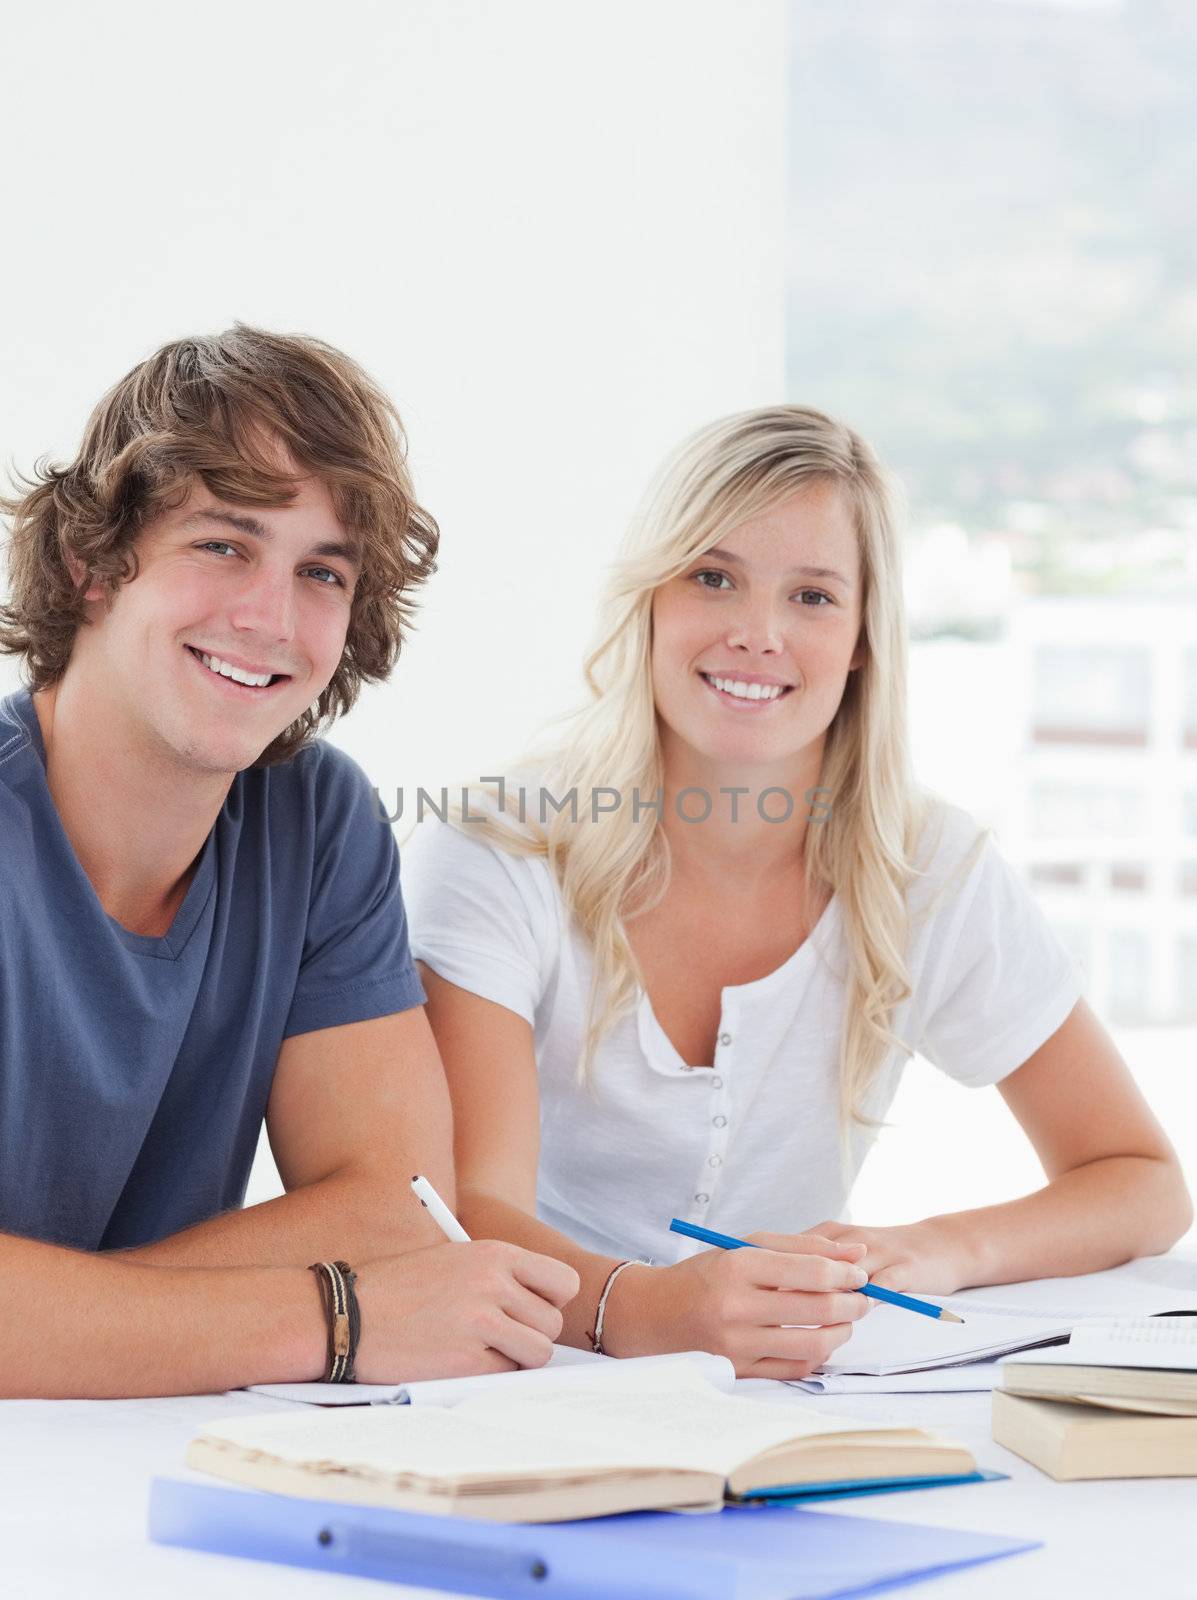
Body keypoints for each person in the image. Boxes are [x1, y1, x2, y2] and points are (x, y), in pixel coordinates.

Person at [402, 404, 1193, 1380]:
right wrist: (645, 1308)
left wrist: (937, 1246)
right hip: (524, 1378)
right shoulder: (501, 847)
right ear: (652, 596)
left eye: (813, 596)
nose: (758, 634)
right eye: (713, 576)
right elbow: (474, 1210)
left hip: (790, 1406)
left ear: (863, 637)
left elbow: (1144, 1184)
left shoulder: (926, 866)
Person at [0, 325, 576, 1398]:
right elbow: (374, 1278)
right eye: (223, 543)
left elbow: (400, 1211)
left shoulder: (315, 818)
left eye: (321, 571)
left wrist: (59, 1322)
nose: (270, 617)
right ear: (90, 565)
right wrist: (333, 1315)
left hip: (126, 1467)